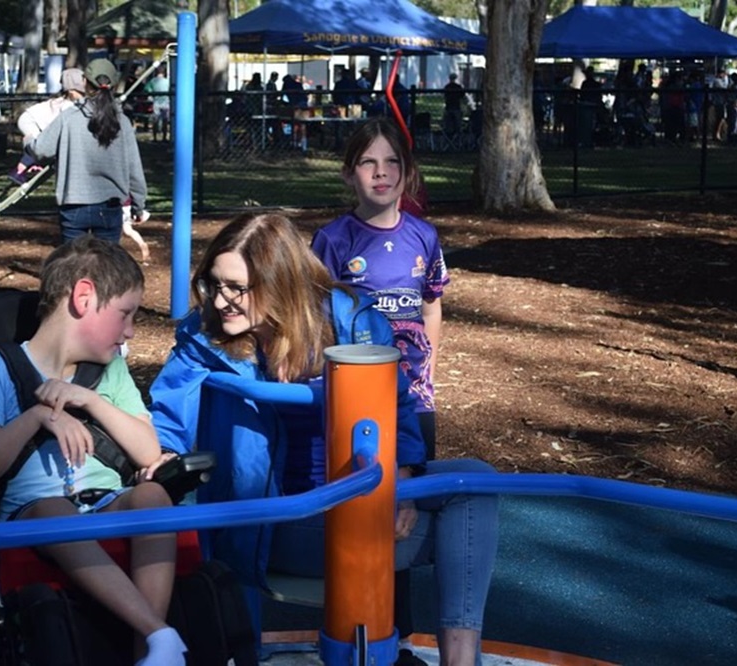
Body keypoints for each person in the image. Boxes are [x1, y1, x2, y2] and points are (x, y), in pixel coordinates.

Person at [147, 213, 499, 666]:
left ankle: (460, 661)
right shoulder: (206, 339)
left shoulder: (349, 320)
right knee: (455, 530)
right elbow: (169, 413)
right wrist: (162, 456)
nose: (221, 300)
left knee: (476, 480)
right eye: (214, 285)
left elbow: (397, 403)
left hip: (357, 495)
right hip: (285, 514)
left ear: (281, 283)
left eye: (237, 287)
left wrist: (404, 476)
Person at [0, 236, 187, 666]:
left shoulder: (110, 371)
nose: (131, 330)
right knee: (52, 510)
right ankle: (158, 631)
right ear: (83, 297)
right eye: (125, 314)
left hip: (104, 502)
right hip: (31, 515)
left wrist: (91, 402)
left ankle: (152, 653)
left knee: (155, 496)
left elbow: (147, 450)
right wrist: (37, 417)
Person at [312, 117, 446, 460]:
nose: (380, 172)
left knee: (416, 485)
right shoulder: (333, 239)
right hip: (357, 388)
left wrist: (427, 373)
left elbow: (431, 307)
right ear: (347, 174)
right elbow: (313, 317)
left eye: (391, 162)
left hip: (415, 394)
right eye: (367, 162)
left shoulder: (425, 236)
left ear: (408, 172)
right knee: (362, 484)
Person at [29, 59, 148, 245]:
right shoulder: (122, 122)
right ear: (114, 84)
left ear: (84, 81)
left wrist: (29, 140)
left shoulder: (68, 117)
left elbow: (41, 150)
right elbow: (134, 168)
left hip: (74, 203)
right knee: (106, 265)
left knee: (73, 264)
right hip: (110, 204)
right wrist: (138, 205)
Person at [9, 68, 85, 184]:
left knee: (41, 146)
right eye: (81, 93)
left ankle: (31, 166)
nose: (83, 96)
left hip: (32, 120)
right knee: (38, 146)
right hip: (29, 121)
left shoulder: (65, 102)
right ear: (70, 91)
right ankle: (19, 171)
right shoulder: (66, 105)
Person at [144, 66, 171, 142]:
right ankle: (164, 138)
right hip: (166, 102)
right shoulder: (167, 81)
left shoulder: (153, 81)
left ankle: (155, 137)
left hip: (156, 102)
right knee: (165, 121)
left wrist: (152, 94)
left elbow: (146, 89)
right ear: (164, 72)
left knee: (155, 121)